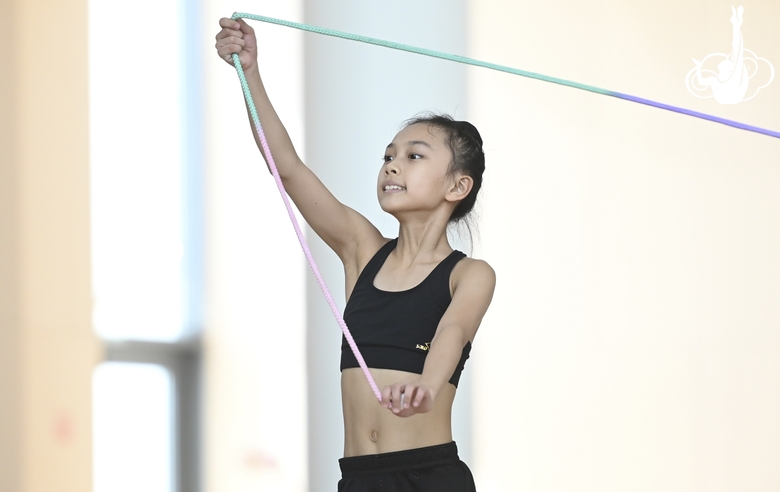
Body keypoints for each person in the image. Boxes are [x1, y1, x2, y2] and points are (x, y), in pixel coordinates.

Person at [215, 17, 496, 491]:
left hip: (430, 477)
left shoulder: (468, 275)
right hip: (360, 479)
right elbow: (286, 168)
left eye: (414, 155)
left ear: (457, 185)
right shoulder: (362, 250)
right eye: (388, 155)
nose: (391, 164)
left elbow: (452, 330)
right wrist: (250, 71)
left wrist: (427, 386)